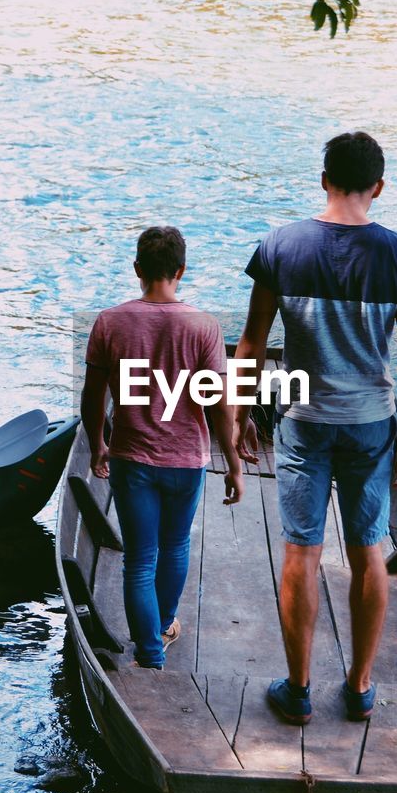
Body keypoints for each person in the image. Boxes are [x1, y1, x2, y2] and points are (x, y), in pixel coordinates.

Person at [234, 132, 397, 723]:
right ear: (379, 186)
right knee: (369, 550)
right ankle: (359, 688)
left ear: (324, 178)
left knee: (302, 549)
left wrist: (240, 411)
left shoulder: (279, 246)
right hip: (371, 423)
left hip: (303, 421)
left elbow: (251, 342)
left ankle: (297, 691)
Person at [81, 226, 244, 670]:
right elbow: (217, 403)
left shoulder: (110, 322)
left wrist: (98, 446)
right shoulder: (204, 326)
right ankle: (165, 624)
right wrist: (232, 463)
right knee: (174, 547)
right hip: (186, 460)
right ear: (181, 271)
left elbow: (93, 397)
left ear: (137, 270)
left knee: (139, 559)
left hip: (131, 458)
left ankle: (150, 653)